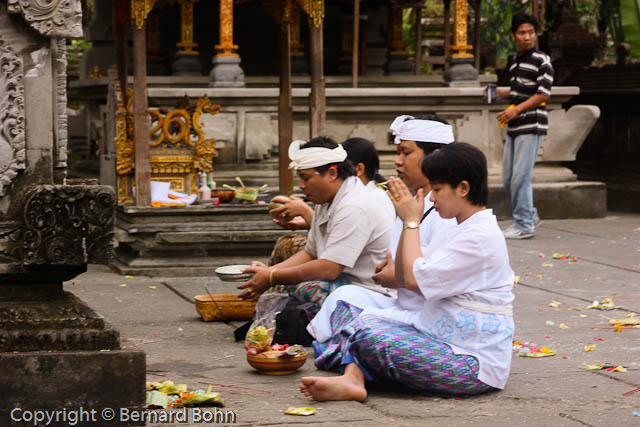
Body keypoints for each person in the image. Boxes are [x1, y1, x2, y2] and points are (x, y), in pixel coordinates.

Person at [299, 143, 515, 402]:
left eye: (437, 189)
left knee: (366, 333)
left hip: (471, 363)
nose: (432, 198)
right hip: (436, 335)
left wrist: (411, 220)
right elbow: (404, 273)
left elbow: (412, 279)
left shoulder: (480, 236)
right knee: (355, 319)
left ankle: (353, 365)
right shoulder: (459, 226)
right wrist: (406, 222)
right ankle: (353, 376)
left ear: (463, 188)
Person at [307, 115, 458, 339]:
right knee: (344, 296)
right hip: (400, 299)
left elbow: (438, 278)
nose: (398, 161)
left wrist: (397, 276)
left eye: (406, 153)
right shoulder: (409, 200)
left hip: (431, 312)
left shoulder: (447, 210)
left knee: (363, 326)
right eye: (399, 153)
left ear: (434, 157)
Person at [238, 137, 394, 306]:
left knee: (303, 290)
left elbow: (329, 269)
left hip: (371, 292)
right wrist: (268, 272)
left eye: (306, 178)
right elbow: (310, 253)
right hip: (346, 284)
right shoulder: (327, 199)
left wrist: (272, 277)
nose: (302, 186)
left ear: (332, 173)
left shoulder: (355, 205)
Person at [496, 12, 554, 239]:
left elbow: (542, 94)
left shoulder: (543, 60)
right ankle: (530, 214)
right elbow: (518, 92)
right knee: (508, 178)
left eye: (531, 32)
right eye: (522, 32)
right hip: (513, 125)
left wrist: (517, 109)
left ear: (536, 34)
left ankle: (524, 225)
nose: (527, 37)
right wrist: (500, 93)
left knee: (521, 177)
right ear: (514, 36)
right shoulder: (515, 61)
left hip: (532, 125)